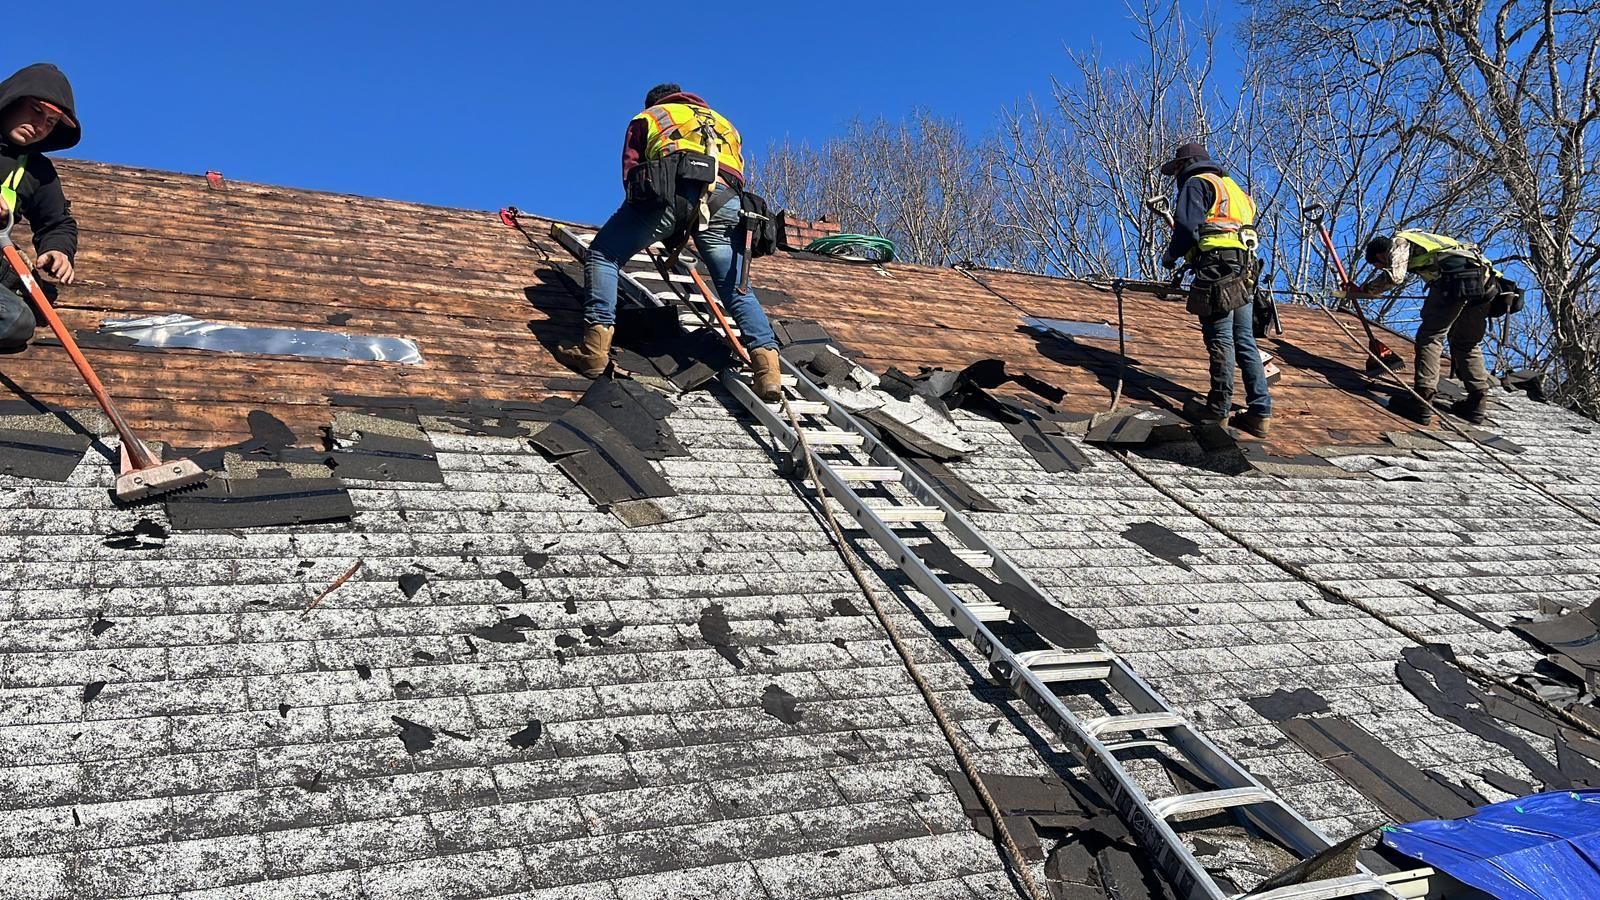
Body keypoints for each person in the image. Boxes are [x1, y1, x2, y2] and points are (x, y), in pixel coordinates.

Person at [555, 83, 782, 401]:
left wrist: (654, 224)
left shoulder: (650, 116)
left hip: (671, 193)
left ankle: (594, 349)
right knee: (735, 287)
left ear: (653, 102)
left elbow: (633, 174)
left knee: (604, 255)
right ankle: (768, 372)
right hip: (727, 202)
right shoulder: (724, 122)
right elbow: (737, 173)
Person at [1159, 142, 1271, 437]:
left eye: (1178, 169)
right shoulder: (1235, 190)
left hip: (1216, 269)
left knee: (1220, 337)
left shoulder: (1197, 183)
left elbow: (1186, 226)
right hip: (1244, 270)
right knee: (1244, 339)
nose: (1177, 176)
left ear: (1187, 165)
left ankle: (1217, 411)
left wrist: (1172, 255)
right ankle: (1260, 413)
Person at [1358, 231, 1501, 425]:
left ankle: (1421, 401)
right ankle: (1476, 403)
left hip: (1456, 281)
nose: (1382, 267)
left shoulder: (1399, 241)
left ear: (1382, 254)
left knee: (1430, 337)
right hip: (1486, 285)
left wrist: (1364, 290)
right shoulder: (1438, 245)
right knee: (1465, 343)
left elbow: (1394, 277)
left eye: (1379, 264)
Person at [0, 63, 81, 351]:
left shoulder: (38, 171)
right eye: (36, 111)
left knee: (18, 320)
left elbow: (57, 222)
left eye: (50, 122)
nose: (39, 126)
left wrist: (57, 248)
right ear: (12, 99)